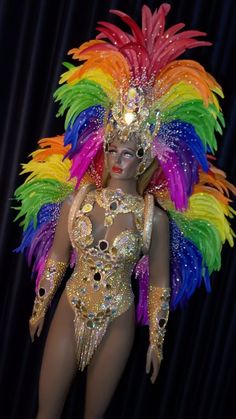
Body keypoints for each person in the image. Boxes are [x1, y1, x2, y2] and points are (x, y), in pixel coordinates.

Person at [14, 3, 235, 419]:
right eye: (114, 148)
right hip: (71, 305)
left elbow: (158, 287)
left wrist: (156, 340)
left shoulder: (154, 217)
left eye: (130, 152)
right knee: (47, 411)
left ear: (145, 157)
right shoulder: (77, 198)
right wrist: (40, 306)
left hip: (117, 321)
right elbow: (59, 257)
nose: (119, 159)